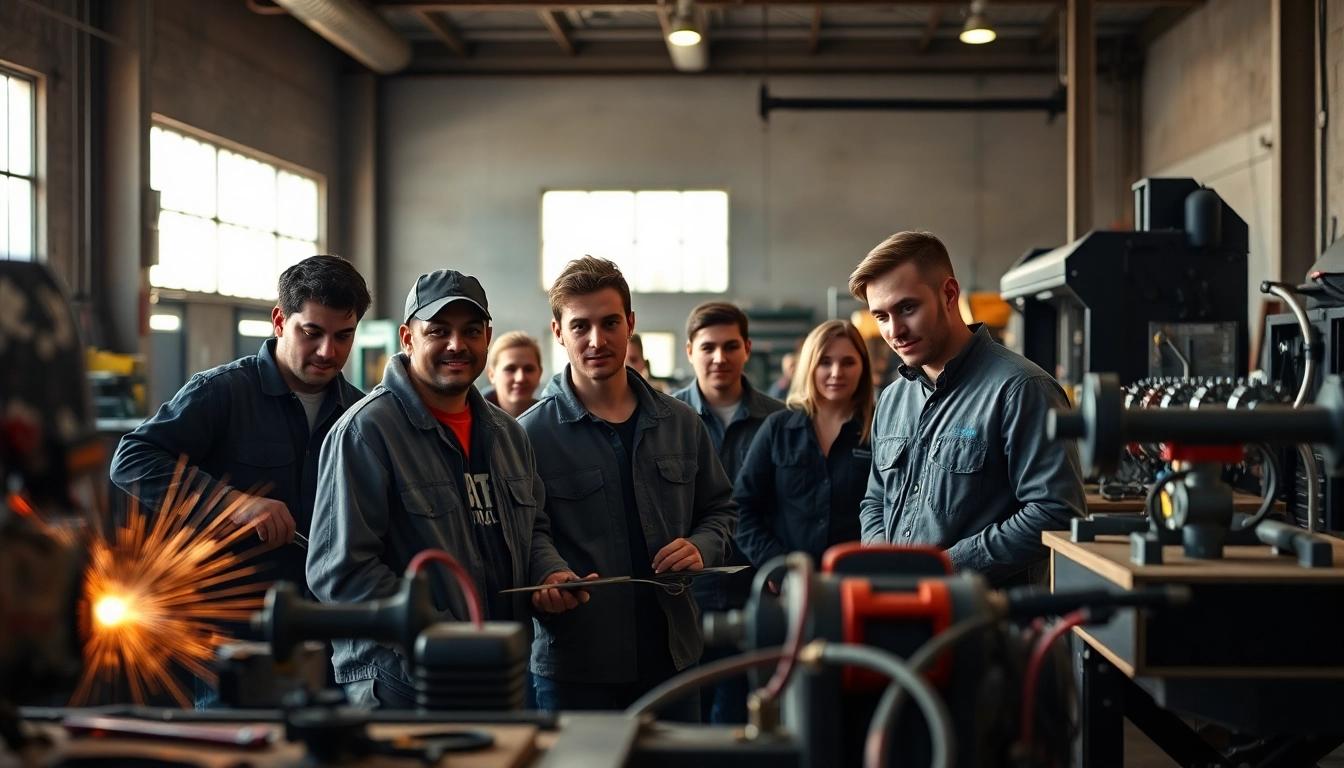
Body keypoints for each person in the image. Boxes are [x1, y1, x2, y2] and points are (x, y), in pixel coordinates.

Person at [110, 254, 371, 706]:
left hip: (332, 641)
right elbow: (131, 460)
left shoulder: (361, 414)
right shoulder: (221, 393)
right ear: (279, 321)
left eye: (343, 336)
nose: (328, 351)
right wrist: (233, 503)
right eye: (312, 332)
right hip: (236, 639)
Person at [305, 270, 570, 709]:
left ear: (488, 338)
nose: (456, 345)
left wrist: (549, 573)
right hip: (403, 687)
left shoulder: (508, 434)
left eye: (471, 331)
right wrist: (442, 630)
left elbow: (534, 529)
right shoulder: (367, 433)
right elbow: (340, 573)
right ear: (408, 338)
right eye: (439, 331)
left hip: (498, 676)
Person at [520, 256, 737, 722]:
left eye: (610, 323)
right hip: (577, 665)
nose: (596, 340)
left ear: (630, 324)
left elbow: (720, 510)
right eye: (580, 326)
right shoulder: (527, 436)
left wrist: (701, 547)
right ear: (558, 332)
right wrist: (549, 571)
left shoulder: (681, 423)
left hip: (674, 660)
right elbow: (526, 531)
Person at [850, 231, 1084, 584]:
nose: (895, 331)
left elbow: (1055, 513)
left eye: (907, 308)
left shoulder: (1021, 389)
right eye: (881, 316)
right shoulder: (892, 399)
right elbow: (875, 499)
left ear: (948, 294)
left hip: (984, 614)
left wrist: (941, 569)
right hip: (899, 606)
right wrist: (886, 564)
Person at [671, 301, 784, 724]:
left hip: (757, 594)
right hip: (684, 598)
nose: (719, 357)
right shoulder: (664, 421)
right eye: (708, 347)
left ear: (747, 348)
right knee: (685, 723)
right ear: (690, 351)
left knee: (744, 721)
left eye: (730, 346)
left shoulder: (779, 421)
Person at [734, 320, 875, 567]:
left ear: (863, 367)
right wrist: (776, 563)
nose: (836, 372)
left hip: (858, 579)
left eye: (848, 362)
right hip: (789, 582)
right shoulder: (777, 428)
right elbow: (740, 509)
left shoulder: (880, 429)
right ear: (810, 365)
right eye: (825, 362)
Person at [485, 331, 544, 418]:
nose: (520, 378)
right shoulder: (472, 419)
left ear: (540, 373)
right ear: (492, 375)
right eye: (510, 369)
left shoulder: (552, 420)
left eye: (528, 369)